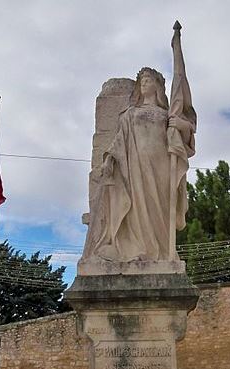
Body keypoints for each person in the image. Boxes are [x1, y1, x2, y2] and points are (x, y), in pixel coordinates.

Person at [82, 67, 196, 263]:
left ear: (158, 86)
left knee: (157, 208)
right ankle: (139, 250)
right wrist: (109, 160)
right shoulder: (130, 113)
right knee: (137, 206)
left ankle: (161, 252)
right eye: (142, 80)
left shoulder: (166, 114)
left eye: (148, 80)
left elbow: (185, 139)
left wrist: (182, 125)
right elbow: (120, 140)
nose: (144, 83)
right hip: (134, 165)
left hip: (161, 166)